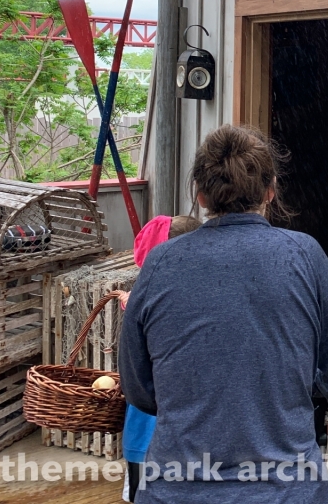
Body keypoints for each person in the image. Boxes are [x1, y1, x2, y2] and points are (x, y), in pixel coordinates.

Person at [119, 125, 328, 503]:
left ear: (200, 194)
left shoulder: (161, 263)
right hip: (288, 490)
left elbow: (138, 387)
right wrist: (300, 390)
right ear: (271, 190)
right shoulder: (303, 255)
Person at [117, 214, 202, 503]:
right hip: (193, 430)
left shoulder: (148, 299)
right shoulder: (205, 294)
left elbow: (133, 373)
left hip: (152, 425)